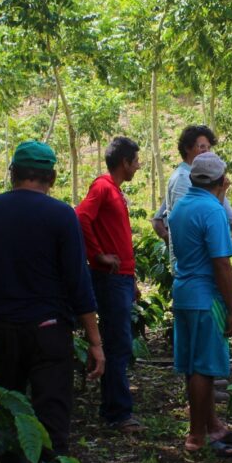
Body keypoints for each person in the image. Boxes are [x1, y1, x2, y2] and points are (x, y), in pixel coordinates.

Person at [0, 140, 106, 463]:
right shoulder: (60, 215)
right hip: (49, 332)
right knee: (51, 421)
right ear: (52, 177)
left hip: (4, 330)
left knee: (8, 415)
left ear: (12, 173)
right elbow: (78, 282)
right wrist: (95, 341)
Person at [167, 152, 232, 457]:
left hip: (183, 292)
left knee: (193, 365)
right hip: (205, 297)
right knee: (204, 367)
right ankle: (196, 435)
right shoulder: (212, 210)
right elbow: (221, 264)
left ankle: (212, 425)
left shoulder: (180, 206)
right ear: (222, 180)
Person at [75, 136, 143, 433]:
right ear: (124, 162)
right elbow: (81, 217)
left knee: (118, 341)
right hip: (111, 279)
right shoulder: (103, 186)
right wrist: (98, 254)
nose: (138, 166)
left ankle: (112, 407)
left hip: (121, 278)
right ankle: (118, 413)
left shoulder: (114, 190)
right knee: (118, 343)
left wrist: (131, 278)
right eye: (136, 161)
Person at [151, 124, 232, 251]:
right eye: (202, 147)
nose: (206, 151)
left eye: (209, 147)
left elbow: (158, 218)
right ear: (187, 148)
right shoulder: (182, 178)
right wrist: (171, 241)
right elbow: (186, 221)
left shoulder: (201, 175)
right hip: (197, 256)